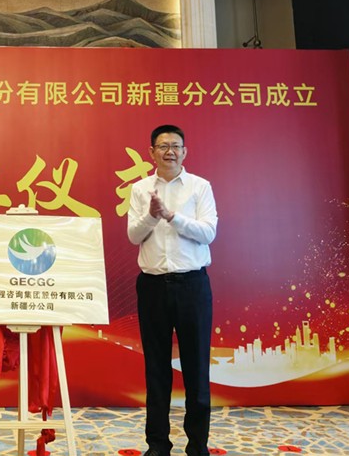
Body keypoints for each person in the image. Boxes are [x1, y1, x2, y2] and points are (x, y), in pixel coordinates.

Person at [127, 125, 218, 456]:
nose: (170, 151)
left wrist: (171, 216)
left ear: (185, 152)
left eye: (176, 146)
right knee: (156, 369)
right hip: (152, 287)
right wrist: (152, 217)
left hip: (192, 286)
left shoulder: (200, 187)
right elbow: (133, 236)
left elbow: (208, 233)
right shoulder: (140, 189)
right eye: (163, 146)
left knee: (197, 368)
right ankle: (157, 445)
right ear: (151, 152)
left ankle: (198, 445)